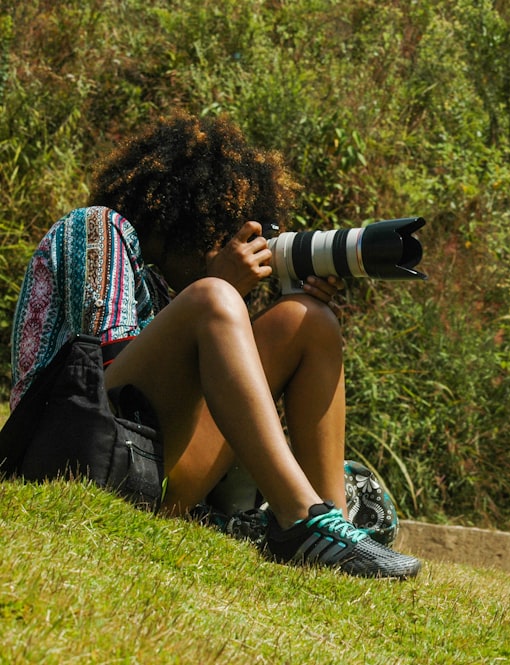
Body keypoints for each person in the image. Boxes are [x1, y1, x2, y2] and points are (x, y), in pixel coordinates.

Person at [8, 112, 421, 579]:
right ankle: (301, 520)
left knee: (308, 321)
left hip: (153, 471)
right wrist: (216, 287)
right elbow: (98, 375)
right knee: (213, 299)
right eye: (226, 231)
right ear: (190, 219)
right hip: (69, 448)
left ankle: (334, 532)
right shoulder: (98, 229)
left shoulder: (178, 289)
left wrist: (279, 301)